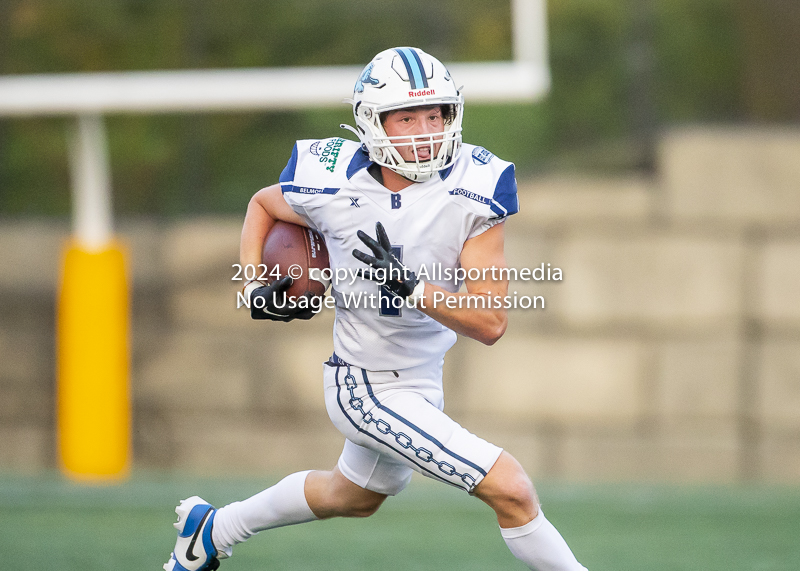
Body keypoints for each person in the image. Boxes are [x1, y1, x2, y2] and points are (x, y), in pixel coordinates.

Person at [164, 47, 588, 571]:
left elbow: (490, 322)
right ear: (372, 122)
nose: (427, 129)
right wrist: (254, 283)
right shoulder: (334, 179)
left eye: (435, 113)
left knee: (354, 497)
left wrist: (409, 286)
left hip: (421, 379)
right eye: (407, 117)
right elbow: (261, 204)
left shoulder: (475, 187)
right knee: (512, 488)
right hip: (363, 384)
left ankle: (210, 531)